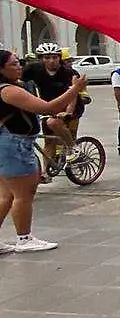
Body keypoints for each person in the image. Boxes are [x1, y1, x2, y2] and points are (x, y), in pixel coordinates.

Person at [0, 49, 88, 253]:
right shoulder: (9, 90)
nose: (19, 66)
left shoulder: (11, 87)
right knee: (24, 194)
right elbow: (47, 108)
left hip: (9, 143)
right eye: (14, 64)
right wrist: (75, 89)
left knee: (6, 195)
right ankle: (24, 238)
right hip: (15, 145)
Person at [22, 42, 85, 165]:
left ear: (59, 58)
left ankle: (73, 147)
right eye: (47, 57)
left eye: (55, 57)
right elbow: (18, 83)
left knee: (53, 123)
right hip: (50, 107)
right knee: (49, 142)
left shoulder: (69, 72)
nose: (51, 61)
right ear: (41, 59)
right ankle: (45, 173)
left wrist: (68, 112)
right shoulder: (34, 69)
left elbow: (73, 95)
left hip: (71, 106)